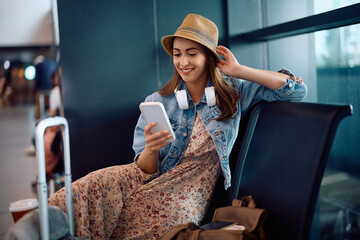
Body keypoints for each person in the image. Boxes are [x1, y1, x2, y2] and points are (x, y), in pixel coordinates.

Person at [47, 13, 307, 239]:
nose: (183, 62)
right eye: (177, 54)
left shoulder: (233, 93)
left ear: (209, 56)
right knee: (81, 192)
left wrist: (238, 70)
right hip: (145, 179)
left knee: (161, 227)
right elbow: (145, 170)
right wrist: (150, 148)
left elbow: (295, 91)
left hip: (188, 192)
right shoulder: (157, 101)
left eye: (192, 54)